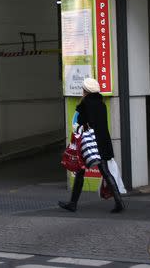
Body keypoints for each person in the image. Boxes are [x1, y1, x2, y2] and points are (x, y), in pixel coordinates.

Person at [59, 77, 125, 213]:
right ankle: (119, 202)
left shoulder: (85, 104)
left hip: (89, 143)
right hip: (102, 141)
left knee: (80, 171)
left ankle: (73, 204)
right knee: (105, 172)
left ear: (85, 91)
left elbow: (79, 124)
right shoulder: (101, 104)